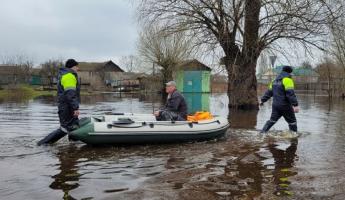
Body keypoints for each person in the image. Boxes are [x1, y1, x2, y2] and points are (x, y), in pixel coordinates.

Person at [260, 65, 299, 133]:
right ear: (289, 72)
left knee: (272, 120)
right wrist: (295, 105)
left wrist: (262, 100)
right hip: (285, 106)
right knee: (292, 122)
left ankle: (262, 133)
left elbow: (268, 93)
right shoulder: (288, 80)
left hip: (275, 106)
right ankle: (294, 137)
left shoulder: (274, 81)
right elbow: (290, 94)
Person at [57, 59, 81, 133]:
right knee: (67, 129)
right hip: (67, 107)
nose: (78, 68)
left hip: (65, 106)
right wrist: (75, 108)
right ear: (73, 67)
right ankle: (45, 143)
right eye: (77, 66)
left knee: (70, 129)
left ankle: (72, 144)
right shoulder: (69, 76)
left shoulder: (65, 75)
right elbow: (70, 94)